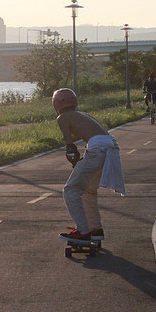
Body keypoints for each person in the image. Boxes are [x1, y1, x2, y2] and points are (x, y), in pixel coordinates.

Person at [52, 88, 125, 244]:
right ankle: (95, 229)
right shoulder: (84, 115)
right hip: (110, 149)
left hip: (97, 150)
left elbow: (70, 147)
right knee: (88, 191)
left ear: (56, 104)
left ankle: (83, 231)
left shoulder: (62, 117)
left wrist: (74, 161)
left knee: (70, 190)